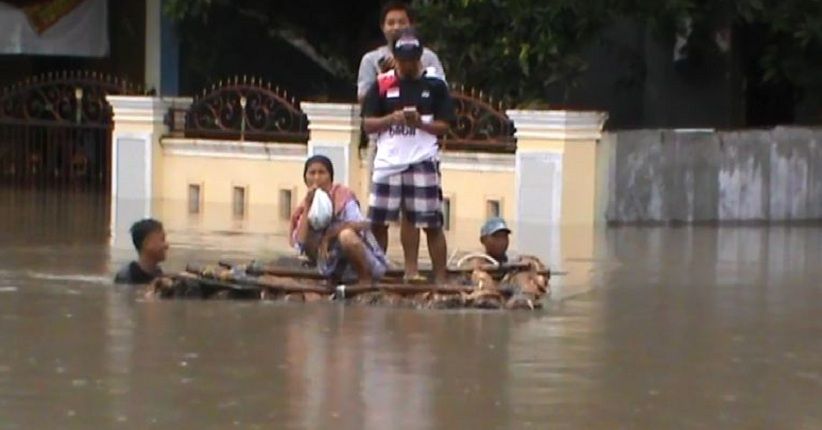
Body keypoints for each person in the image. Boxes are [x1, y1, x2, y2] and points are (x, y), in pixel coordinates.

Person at [361, 28, 454, 284]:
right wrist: (392, 119)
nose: (408, 65)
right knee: (378, 221)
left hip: (422, 161)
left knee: (430, 222)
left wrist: (420, 124)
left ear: (420, 57)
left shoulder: (434, 84)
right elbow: (367, 124)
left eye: (412, 60)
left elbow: (445, 125)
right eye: (403, 60)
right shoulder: (382, 84)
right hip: (388, 163)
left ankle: (439, 277)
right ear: (395, 57)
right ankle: (375, 273)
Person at [289, 155, 388, 285]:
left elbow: (362, 225)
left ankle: (365, 277)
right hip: (328, 265)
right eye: (312, 173)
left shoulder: (343, 196)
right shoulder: (305, 204)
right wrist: (308, 206)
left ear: (330, 177)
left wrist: (330, 235)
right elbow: (299, 244)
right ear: (305, 178)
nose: (316, 178)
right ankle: (333, 277)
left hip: (360, 261)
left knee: (346, 236)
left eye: (321, 173)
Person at [356, 1, 446, 103]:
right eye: (390, 23)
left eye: (402, 22)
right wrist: (384, 78)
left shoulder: (429, 57)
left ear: (412, 25)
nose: (396, 27)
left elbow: (443, 94)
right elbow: (363, 99)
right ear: (382, 27)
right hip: (386, 116)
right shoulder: (371, 60)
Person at [114, 218, 168, 284]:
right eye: (162, 239)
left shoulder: (158, 273)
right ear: (147, 243)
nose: (167, 245)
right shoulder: (126, 276)